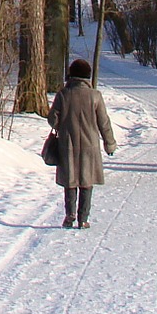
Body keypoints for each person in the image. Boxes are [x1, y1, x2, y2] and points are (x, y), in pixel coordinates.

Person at [47, 58, 117, 229]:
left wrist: (63, 124)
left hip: (67, 144)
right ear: (88, 76)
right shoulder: (95, 96)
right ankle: (83, 218)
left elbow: (52, 120)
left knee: (70, 181)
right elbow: (104, 122)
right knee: (87, 181)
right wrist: (110, 144)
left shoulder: (63, 94)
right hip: (89, 145)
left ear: (71, 74)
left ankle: (69, 216)